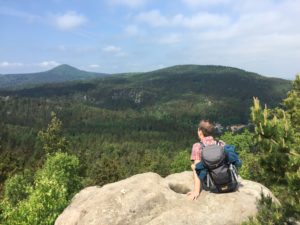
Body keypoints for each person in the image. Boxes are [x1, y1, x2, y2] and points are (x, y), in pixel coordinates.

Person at [187, 119, 225, 200]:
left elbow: (198, 168)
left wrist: (196, 191)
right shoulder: (221, 143)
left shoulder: (197, 146)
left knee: (193, 166)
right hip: (225, 181)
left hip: (211, 185)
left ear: (200, 131)